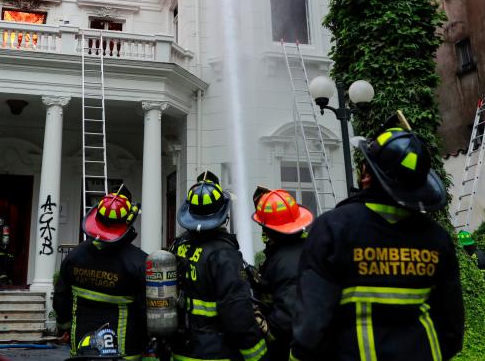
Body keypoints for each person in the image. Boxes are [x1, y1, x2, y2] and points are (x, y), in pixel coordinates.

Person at [291, 120, 465, 360]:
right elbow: (452, 328)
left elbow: (312, 326)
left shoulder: (333, 229)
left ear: (366, 175)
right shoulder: (437, 238)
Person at [170, 171, 268, 361]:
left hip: (181, 350)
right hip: (214, 353)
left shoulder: (178, 245)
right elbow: (237, 315)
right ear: (223, 214)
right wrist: (259, 354)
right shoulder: (224, 255)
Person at [53, 187, 147, 358]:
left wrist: (64, 327)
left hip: (81, 351)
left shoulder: (74, 257)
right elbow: (145, 310)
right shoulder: (139, 263)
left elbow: (61, 297)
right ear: (128, 222)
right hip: (125, 352)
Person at [251, 189, 313, 361]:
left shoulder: (285, 260)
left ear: (269, 229)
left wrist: (265, 327)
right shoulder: (303, 247)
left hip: (290, 347)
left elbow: (287, 316)